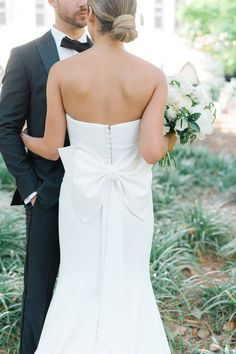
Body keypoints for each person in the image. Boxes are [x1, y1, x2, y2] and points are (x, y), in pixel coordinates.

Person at [21, 0, 176, 352]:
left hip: (80, 199)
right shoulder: (152, 76)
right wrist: (175, 134)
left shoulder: (62, 73)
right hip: (132, 198)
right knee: (130, 280)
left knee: (78, 280)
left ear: (91, 14)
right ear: (130, 15)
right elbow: (151, 151)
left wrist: (26, 138)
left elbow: (51, 146)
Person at [0, 1, 92, 353]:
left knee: (89, 283)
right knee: (38, 289)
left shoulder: (105, 55)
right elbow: (7, 128)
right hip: (45, 193)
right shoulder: (24, 56)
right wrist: (29, 189)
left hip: (95, 190)